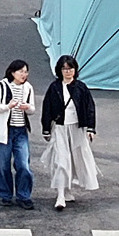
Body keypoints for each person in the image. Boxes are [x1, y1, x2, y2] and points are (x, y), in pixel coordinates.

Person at [41, 55, 97, 211]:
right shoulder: (54, 88)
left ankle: (67, 190)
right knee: (61, 160)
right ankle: (60, 195)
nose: (68, 72)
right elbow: (47, 108)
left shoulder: (81, 87)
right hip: (60, 128)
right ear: (60, 70)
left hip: (77, 128)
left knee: (75, 160)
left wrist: (91, 128)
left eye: (70, 68)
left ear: (75, 70)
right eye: (65, 69)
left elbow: (89, 108)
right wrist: (46, 128)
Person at [0, 60, 36, 209]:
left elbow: (32, 109)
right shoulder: (1, 86)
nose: (24, 75)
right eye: (21, 71)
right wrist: (8, 106)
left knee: (23, 164)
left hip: (20, 130)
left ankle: (24, 195)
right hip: (4, 130)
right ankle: (5, 194)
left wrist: (27, 107)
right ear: (12, 72)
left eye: (26, 72)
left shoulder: (28, 88)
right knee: (2, 164)